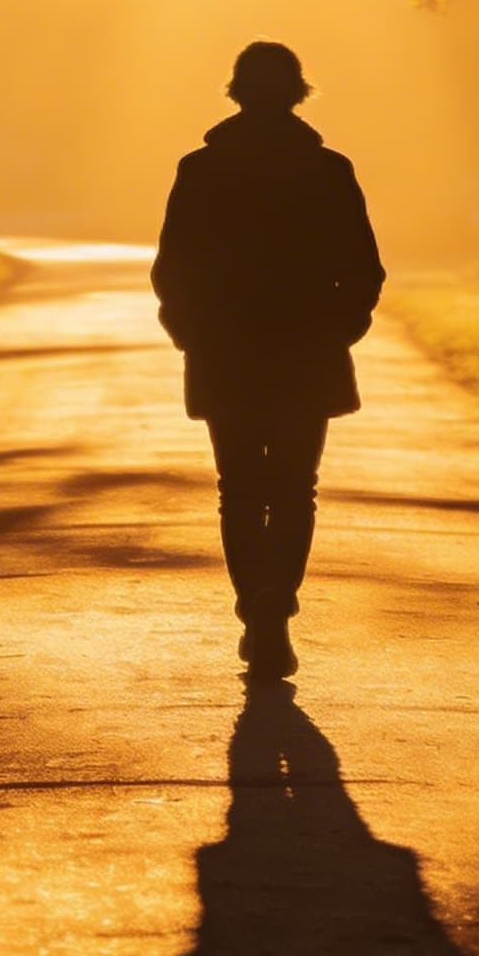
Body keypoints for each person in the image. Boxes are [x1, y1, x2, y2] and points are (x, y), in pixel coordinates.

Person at [151, 42, 385, 680]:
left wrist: (188, 332)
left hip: (224, 351)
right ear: (297, 92)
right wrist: (339, 330)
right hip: (306, 351)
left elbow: (172, 268)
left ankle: (259, 606)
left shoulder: (200, 170)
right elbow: (364, 269)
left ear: (236, 92)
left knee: (238, 489)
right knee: (293, 487)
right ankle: (273, 606)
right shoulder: (329, 171)